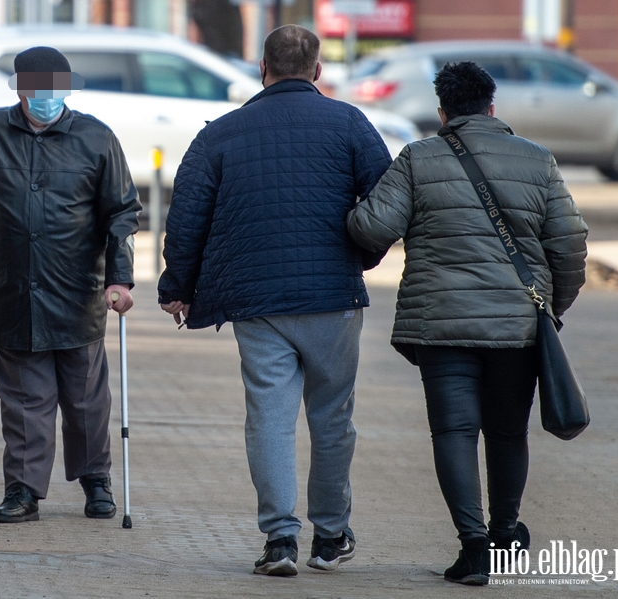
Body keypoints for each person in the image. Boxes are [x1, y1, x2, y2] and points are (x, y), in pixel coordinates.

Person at [157, 25, 391, 576]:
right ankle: (330, 535)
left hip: (256, 300)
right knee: (333, 418)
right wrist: (361, 258)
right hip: (333, 298)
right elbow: (386, 203)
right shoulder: (351, 123)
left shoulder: (221, 134)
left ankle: (280, 539)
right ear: (317, 71)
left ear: (262, 68)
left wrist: (177, 288)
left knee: (269, 417)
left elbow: (186, 218)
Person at [346, 62, 588, 585]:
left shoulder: (418, 158)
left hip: (442, 326)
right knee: (507, 433)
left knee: (454, 432)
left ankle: (473, 547)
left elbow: (373, 229)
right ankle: (504, 534)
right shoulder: (538, 161)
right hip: (518, 326)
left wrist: (350, 202)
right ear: (492, 108)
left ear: (443, 112)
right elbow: (569, 244)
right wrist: (550, 308)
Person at [0, 47, 141, 523]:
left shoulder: (96, 138)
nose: (48, 98)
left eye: (57, 89)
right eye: (39, 89)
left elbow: (122, 214)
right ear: (20, 89)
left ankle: (96, 480)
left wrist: (120, 278)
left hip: (77, 293)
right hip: (9, 291)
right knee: (26, 402)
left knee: (85, 399)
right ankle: (24, 491)